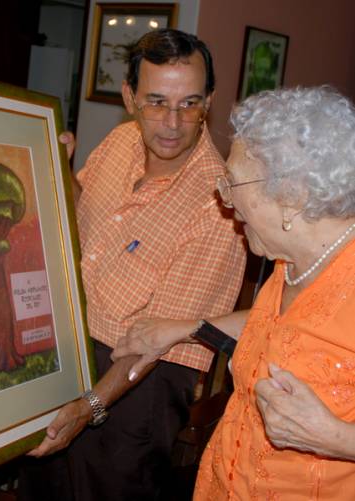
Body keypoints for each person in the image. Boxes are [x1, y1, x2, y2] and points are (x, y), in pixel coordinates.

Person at [24, 29, 246, 501]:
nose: (172, 122)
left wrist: (89, 407)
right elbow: (83, 216)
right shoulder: (120, 141)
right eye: (156, 102)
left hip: (145, 376)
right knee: (42, 485)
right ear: (129, 98)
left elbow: (151, 344)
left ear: (209, 100)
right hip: (73, 342)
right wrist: (57, 168)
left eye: (189, 103)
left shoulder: (219, 204)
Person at [112, 86, 355, 499]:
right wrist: (186, 328)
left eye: (233, 182)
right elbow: (280, 329)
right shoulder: (292, 263)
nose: (224, 199)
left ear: (291, 197)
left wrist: (334, 437)